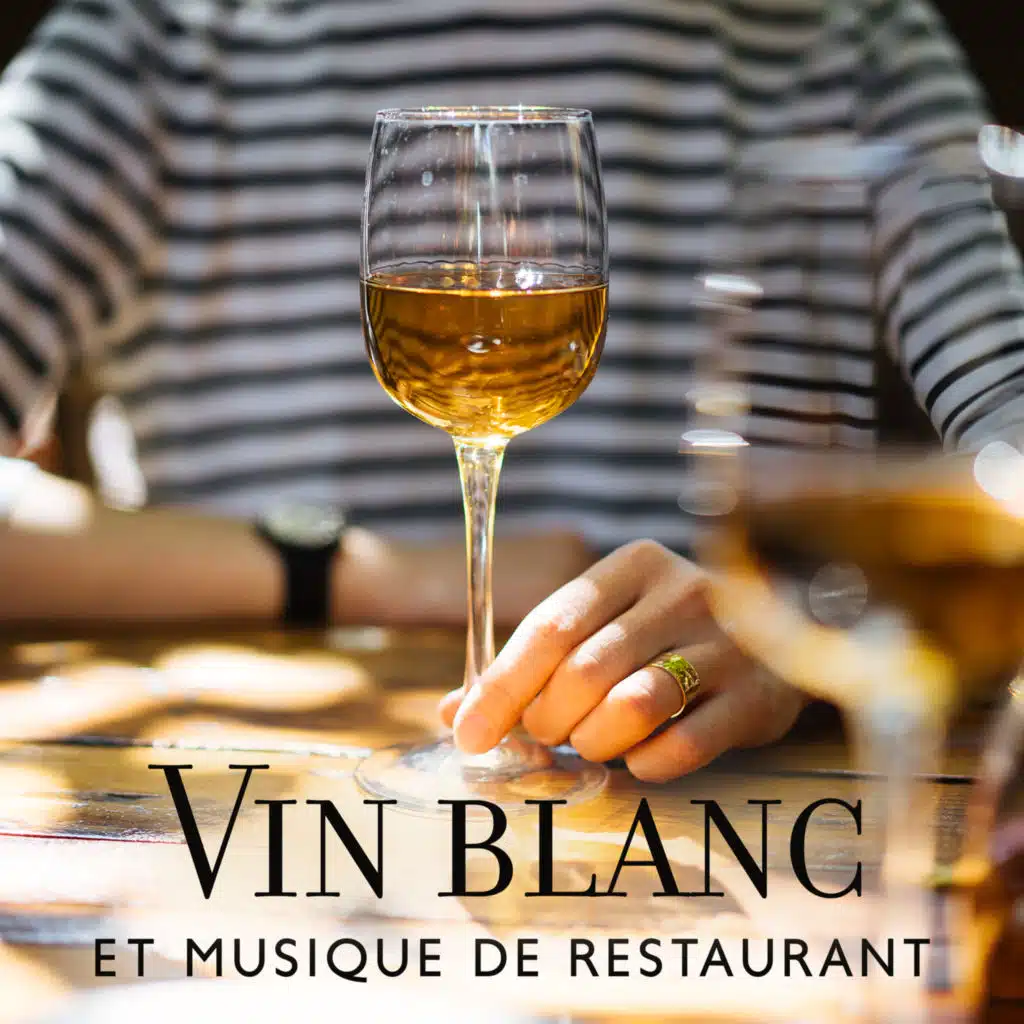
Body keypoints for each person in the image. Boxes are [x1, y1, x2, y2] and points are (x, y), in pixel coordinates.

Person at [1, 0, 1022, 779]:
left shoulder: (843, 34)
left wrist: (790, 630)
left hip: (731, 818)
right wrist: (365, 573)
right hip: (251, 810)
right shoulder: (156, 44)